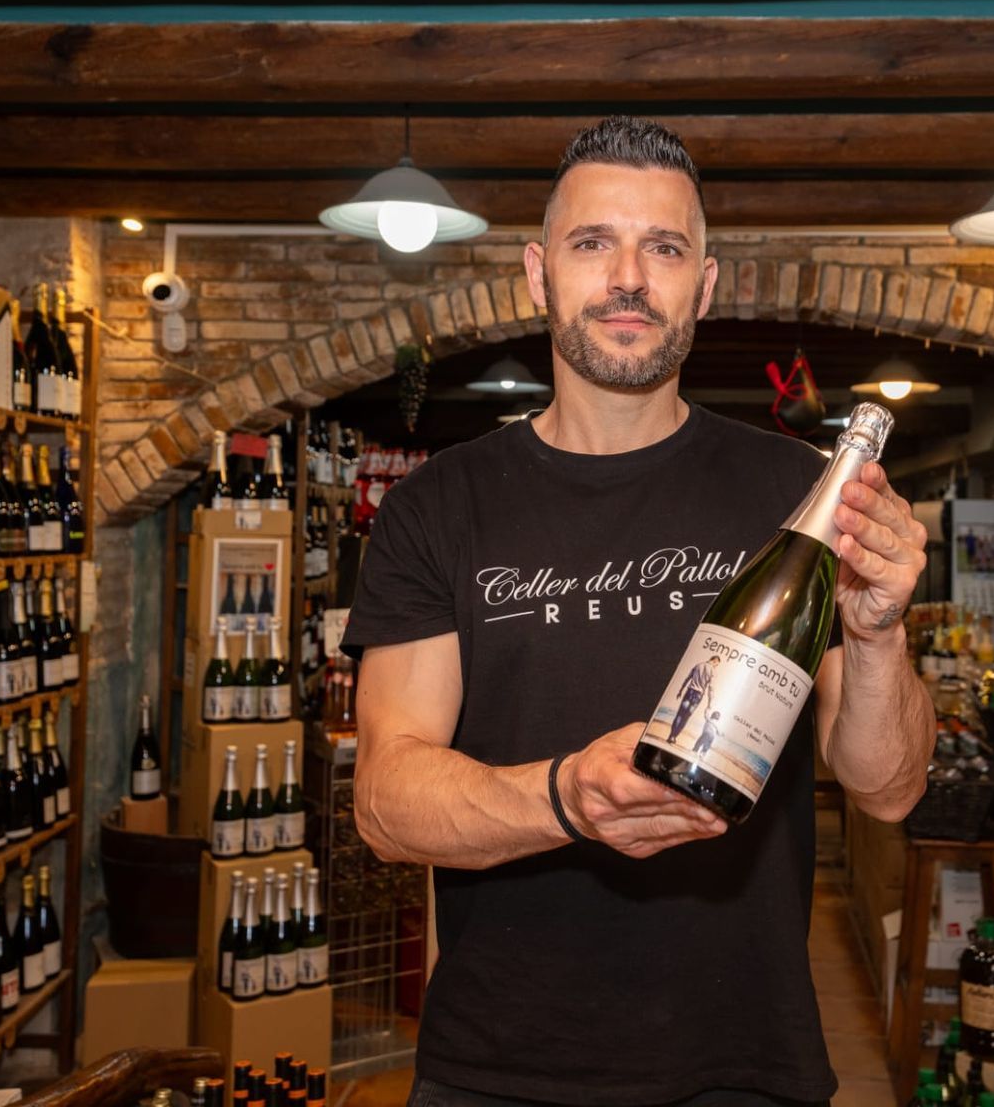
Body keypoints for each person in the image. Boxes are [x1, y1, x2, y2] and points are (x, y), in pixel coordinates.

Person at [345, 116, 936, 1106]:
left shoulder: (802, 494)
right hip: (494, 1071)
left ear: (703, 285)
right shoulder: (438, 507)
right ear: (539, 273)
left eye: (664, 247)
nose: (629, 276)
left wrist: (877, 636)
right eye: (593, 243)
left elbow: (888, 787)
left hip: (745, 1067)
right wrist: (568, 796)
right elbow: (386, 801)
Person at [668, 654, 719, 745]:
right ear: (715, 661)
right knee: (685, 718)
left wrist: (680, 690)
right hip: (698, 696)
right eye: (717, 664)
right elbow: (711, 688)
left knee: (679, 715)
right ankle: (674, 736)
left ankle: (671, 736)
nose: (716, 666)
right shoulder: (712, 671)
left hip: (690, 691)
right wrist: (709, 704)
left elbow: (687, 678)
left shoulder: (698, 665)